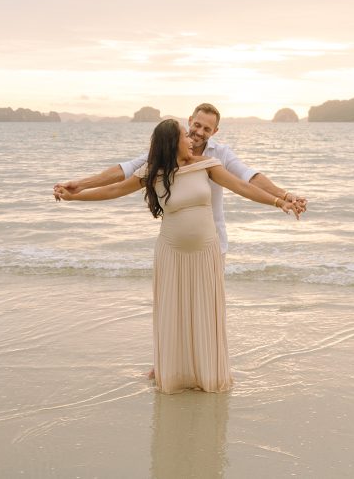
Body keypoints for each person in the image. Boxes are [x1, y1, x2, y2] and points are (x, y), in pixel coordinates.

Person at [54, 119, 303, 394]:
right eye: (186, 135)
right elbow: (115, 186)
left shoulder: (207, 165)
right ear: (173, 143)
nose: (191, 139)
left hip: (206, 252)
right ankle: (172, 373)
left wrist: (280, 200)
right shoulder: (153, 171)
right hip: (171, 252)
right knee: (172, 310)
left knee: (205, 311)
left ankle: (206, 374)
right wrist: (76, 195)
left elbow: (242, 185)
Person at [55, 102, 307, 256]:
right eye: (196, 125)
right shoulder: (162, 158)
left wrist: (282, 197)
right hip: (173, 248)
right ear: (190, 122)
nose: (198, 132)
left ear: (214, 132)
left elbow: (246, 179)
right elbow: (122, 175)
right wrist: (78, 187)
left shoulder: (216, 159)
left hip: (212, 246)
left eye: (206, 129)